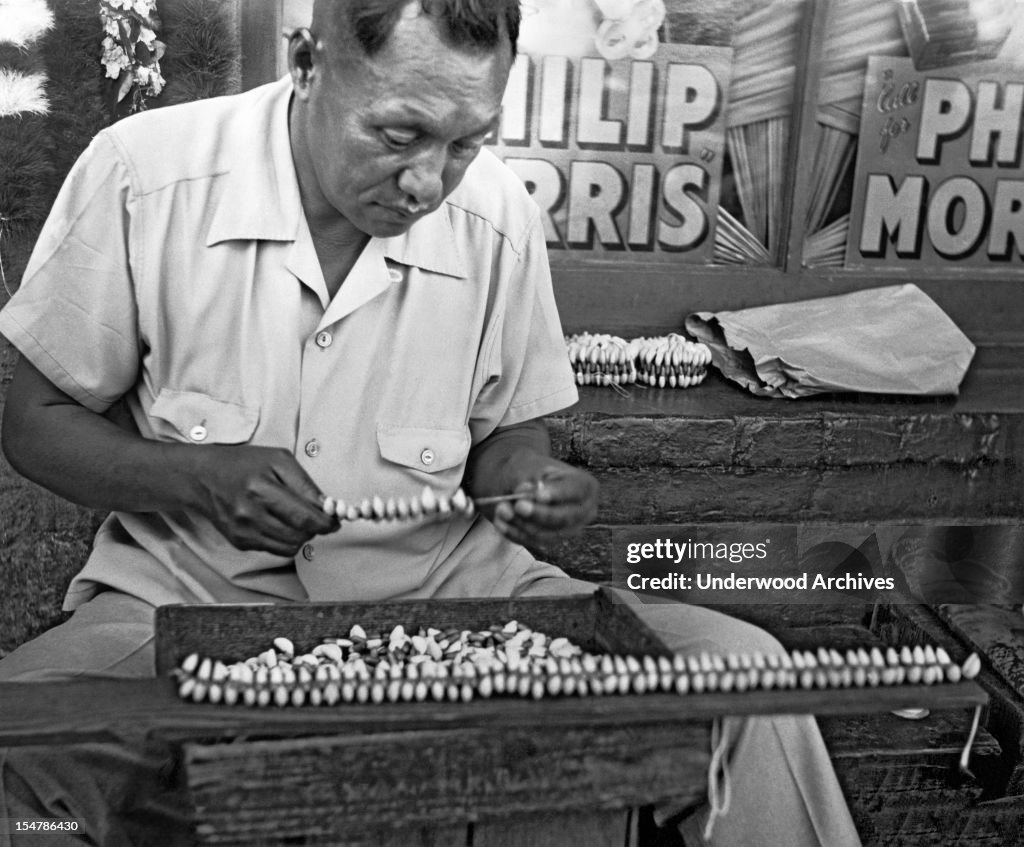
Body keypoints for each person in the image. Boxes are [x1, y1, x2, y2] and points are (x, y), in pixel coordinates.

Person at [0, 1, 862, 844]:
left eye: (467, 141)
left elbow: (506, 437)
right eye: (399, 135)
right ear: (307, 64)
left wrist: (524, 479)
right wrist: (199, 476)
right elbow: (34, 419)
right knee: (23, 770)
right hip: (175, 598)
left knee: (748, 688)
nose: (427, 184)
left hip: (450, 595)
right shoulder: (147, 176)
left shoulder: (496, 216)